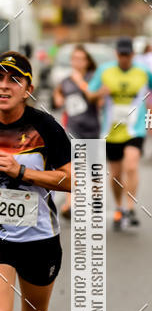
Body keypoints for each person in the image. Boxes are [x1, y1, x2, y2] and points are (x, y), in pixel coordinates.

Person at [0, 52, 72, 311]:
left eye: (13, 80)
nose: (4, 86)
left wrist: (23, 171)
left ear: (28, 88)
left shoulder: (45, 128)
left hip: (38, 239)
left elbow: (75, 181)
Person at [88, 37, 152, 231]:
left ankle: (130, 208)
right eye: (121, 55)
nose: (124, 58)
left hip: (135, 129)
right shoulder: (105, 71)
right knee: (116, 175)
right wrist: (99, 94)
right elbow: (89, 94)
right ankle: (119, 207)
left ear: (132, 55)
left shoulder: (143, 72)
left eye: (127, 55)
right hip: (111, 131)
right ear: (116, 54)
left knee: (131, 164)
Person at [53, 44, 100, 217]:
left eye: (81, 59)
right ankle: (69, 205)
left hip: (92, 127)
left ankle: (96, 199)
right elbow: (57, 97)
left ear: (87, 62)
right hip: (73, 128)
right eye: (74, 59)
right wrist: (58, 98)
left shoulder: (93, 78)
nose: (77, 62)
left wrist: (80, 81)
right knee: (75, 166)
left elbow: (97, 99)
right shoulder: (66, 80)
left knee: (94, 169)